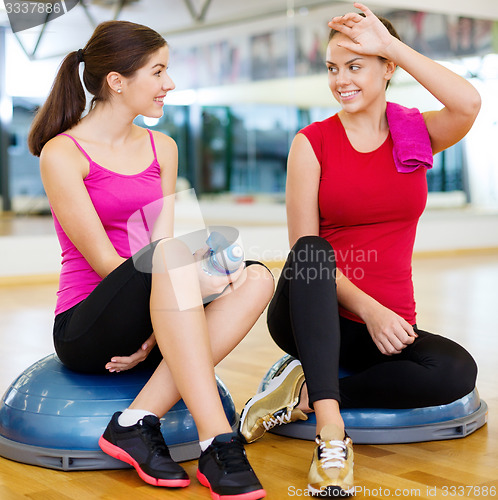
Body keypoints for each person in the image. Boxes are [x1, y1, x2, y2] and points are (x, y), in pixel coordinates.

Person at [239, 3, 480, 497]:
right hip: (311, 311)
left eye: (355, 65)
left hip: (385, 325)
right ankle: (331, 434)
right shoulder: (312, 144)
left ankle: (304, 394)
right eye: (333, 68)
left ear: (387, 68)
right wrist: (370, 310)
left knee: (456, 370)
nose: (341, 80)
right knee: (314, 250)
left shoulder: (414, 132)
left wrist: (390, 43)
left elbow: (469, 104)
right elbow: (303, 255)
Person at [28, 20, 273, 500]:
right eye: (158, 72)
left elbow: (161, 243)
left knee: (257, 278)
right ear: (117, 81)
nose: (170, 84)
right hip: (89, 323)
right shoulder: (63, 154)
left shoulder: (164, 147)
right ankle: (218, 441)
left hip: (157, 307)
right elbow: (107, 262)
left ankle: (136, 422)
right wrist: (158, 318)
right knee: (170, 255)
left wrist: (163, 325)